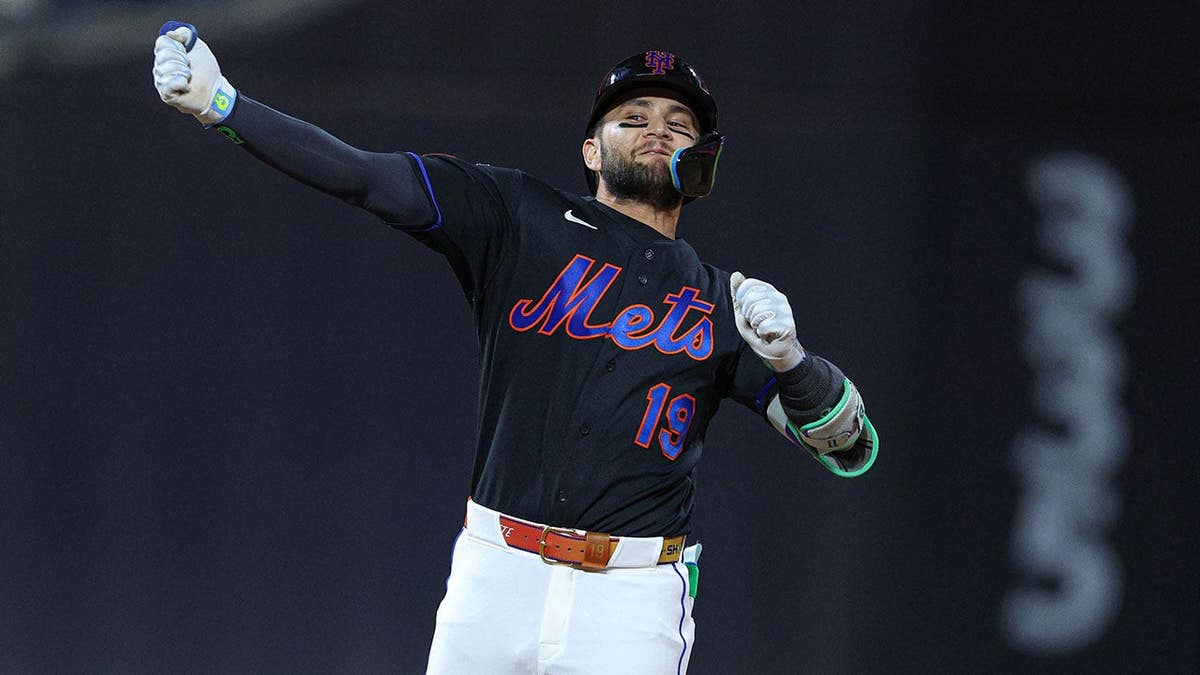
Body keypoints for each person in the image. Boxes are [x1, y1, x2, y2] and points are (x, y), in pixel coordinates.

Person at [152, 21, 878, 674]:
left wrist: (791, 360)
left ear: (704, 161)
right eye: (633, 116)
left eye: (679, 123)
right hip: (496, 569)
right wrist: (225, 107)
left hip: (630, 597)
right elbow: (365, 176)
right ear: (592, 148)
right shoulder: (518, 215)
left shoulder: (727, 302)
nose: (657, 128)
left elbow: (847, 447)